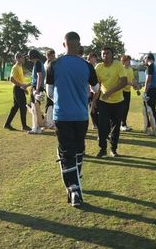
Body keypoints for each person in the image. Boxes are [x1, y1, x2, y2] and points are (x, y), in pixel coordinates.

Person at [46, 31, 99, 207]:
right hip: (81, 115)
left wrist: (63, 100)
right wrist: (84, 98)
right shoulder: (87, 66)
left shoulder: (54, 64)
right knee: (78, 149)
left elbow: (49, 92)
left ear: (64, 45)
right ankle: (77, 176)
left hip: (62, 115)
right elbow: (96, 88)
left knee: (67, 152)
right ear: (79, 45)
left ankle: (74, 189)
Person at [92, 47, 127, 158]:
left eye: (108, 53)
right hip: (103, 102)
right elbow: (97, 87)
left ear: (112, 55)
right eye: (103, 54)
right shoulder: (98, 67)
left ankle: (113, 149)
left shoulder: (118, 65)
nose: (105, 55)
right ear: (101, 55)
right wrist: (93, 102)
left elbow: (124, 82)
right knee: (102, 126)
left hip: (118, 102)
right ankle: (102, 149)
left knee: (115, 127)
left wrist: (109, 93)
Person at [4, 52, 32, 131]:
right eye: (22, 58)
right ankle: (24, 126)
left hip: (19, 89)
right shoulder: (15, 67)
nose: (24, 59)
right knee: (23, 107)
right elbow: (11, 79)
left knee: (15, 107)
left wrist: (24, 89)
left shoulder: (20, 67)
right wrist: (21, 86)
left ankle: (7, 124)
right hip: (17, 89)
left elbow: (20, 79)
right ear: (18, 59)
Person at [27, 49, 46, 134]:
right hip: (38, 87)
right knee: (36, 108)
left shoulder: (37, 63)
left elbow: (40, 76)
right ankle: (38, 127)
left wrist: (37, 89)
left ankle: (35, 128)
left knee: (34, 108)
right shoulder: (40, 63)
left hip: (37, 88)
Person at [143, 53, 156, 136]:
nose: (144, 61)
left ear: (148, 59)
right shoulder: (154, 66)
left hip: (150, 90)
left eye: (144, 59)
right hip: (154, 90)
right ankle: (154, 128)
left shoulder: (150, 66)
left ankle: (154, 129)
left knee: (150, 110)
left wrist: (145, 92)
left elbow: (149, 80)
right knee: (151, 110)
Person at [120, 55, 137, 132]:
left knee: (126, 108)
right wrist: (131, 83)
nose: (129, 62)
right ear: (123, 61)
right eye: (127, 61)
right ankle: (121, 124)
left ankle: (124, 124)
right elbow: (122, 81)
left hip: (128, 91)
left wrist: (135, 85)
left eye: (129, 61)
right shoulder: (121, 69)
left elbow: (132, 79)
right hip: (121, 91)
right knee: (122, 109)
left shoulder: (130, 69)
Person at [43, 49, 56, 129]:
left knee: (50, 104)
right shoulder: (49, 64)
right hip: (49, 86)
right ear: (49, 56)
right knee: (50, 104)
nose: (54, 57)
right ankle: (49, 122)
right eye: (53, 55)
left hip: (49, 85)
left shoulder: (48, 63)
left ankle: (50, 121)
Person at [87, 52, 99, 130]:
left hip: (96, 90)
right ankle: (95, 124)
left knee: (95, 107)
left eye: (95, 58)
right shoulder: (87, 66)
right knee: (92, 108)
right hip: (89, 90)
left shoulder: (96, 67)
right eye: (92, 57)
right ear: (89, 58)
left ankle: (96, 124)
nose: (94, 59)